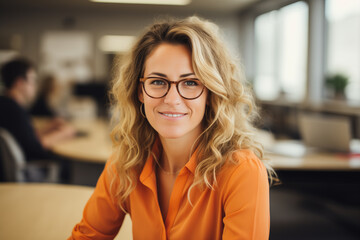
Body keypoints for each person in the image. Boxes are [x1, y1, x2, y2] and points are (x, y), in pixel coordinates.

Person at [69, 16, 274, 239]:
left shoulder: (241, 171)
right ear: (140, 91)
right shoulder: (125, 164)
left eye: (190, 82)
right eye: (158, 81)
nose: (172, 99)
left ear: (210, 93)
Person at [0, 58, 75, 180]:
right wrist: (64, 134)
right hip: (29, 166)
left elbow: (23, 138)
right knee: (65, 161)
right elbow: (36, 147)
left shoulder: (4, 104)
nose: (35, 86)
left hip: (12, 167)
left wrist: (47, 129)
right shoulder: (15, 110)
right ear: (20, 83)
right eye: (32, 81)